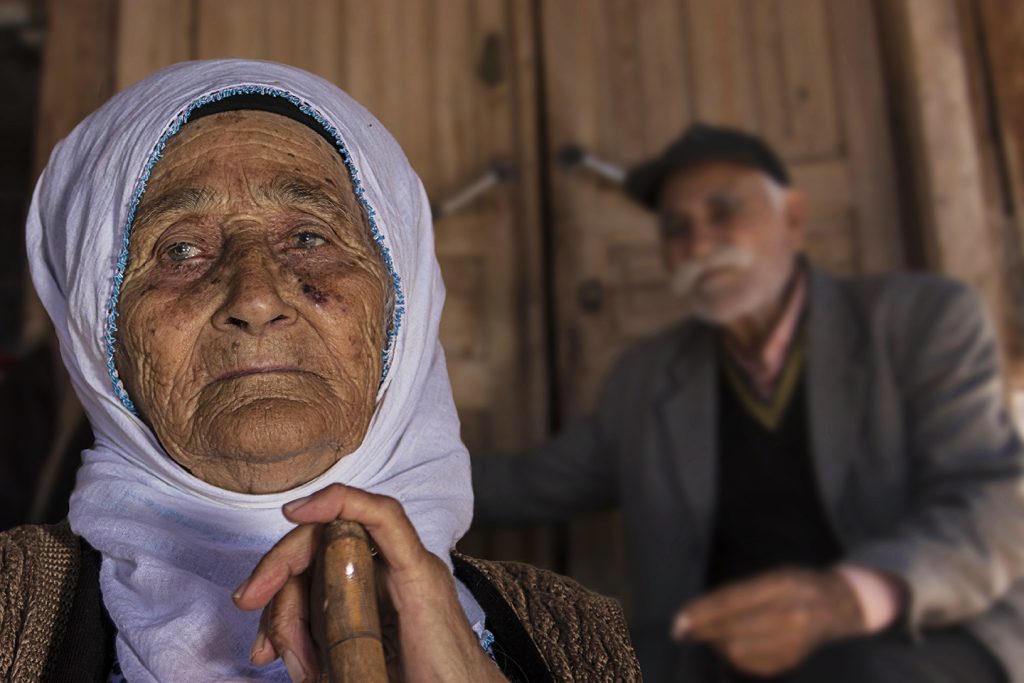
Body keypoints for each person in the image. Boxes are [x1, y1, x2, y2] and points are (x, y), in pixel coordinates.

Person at [0, 60, 641, 682]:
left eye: (309, 238)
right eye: (181, 250)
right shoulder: (11, 610)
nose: (256, 297)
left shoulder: (584, 638)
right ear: (94, 324)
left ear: (403, 301)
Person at [473, 123, 1024, 682]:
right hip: (718, 662)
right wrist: (394, 475)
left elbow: (994, 503)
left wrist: (845, 599)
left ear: (793, 217)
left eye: (723, 213)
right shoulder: (646, 379)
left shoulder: (921, 322)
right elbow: (532, 482)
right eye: (676, 229)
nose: (700, 244)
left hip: (918, 639)